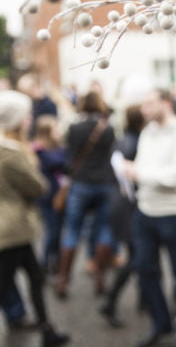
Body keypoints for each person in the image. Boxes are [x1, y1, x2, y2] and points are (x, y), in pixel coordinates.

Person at [122, 88, 176, 347]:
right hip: (145, 211)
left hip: (175, 212)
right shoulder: (147, 131)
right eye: (143, 104)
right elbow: (146, 167)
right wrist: (133, 172)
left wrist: (139, 173)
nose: (144, 109)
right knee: (145, 270)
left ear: (166, 103)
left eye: (149, 103)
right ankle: (160, 323)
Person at [0, 90, 70, 347]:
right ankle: (47, 331)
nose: (30, 119)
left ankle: (48, 331)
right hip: (12, 229)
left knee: (35, 279)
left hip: (13, 229)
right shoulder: (10, 153)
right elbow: (39, 188)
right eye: (26, 115)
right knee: (8, 283)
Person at [55, 91, 116, 298]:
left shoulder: (75, 128)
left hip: (81, 183)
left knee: (72, 231)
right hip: (105, 183)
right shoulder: (108, 129)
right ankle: (100, 274)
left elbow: (70, 156)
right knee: (105, 230)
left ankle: (63, 280)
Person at [99, 104, 145, 328]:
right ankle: (110, 302)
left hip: (119, 204)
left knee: (139, 255)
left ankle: (143, 300)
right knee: (137, 257)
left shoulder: (122, 139)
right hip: (129, 207)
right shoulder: (136, 142)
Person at [32, 115, 68, 275]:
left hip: (60, 195)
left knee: (58, 231)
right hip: (47, 198)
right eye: (55, 129)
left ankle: (55, 261)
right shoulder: (38, 150)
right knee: (52, 232)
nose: (59, 132)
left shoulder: (58, 147)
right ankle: (45, 263)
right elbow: (57, 162)